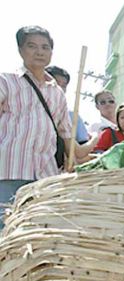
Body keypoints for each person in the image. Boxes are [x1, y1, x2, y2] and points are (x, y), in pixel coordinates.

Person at [0, 26, 96, 229]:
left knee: (34, 234)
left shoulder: (58, 94)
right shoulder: (6, 81)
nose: (39, 52)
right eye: (32, 46)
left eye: (45, 47)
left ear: (51, 53)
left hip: (44, 178)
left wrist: (101, 141)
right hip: (10, 170)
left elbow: (71, 143)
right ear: (20, 50)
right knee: (3, 230)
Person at [45, 65, 89, 144]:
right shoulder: (28, 108)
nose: (60, 89)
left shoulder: (73, 116)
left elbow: (82, 145)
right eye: (57, 83)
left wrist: (95, 138)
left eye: (64, 86)